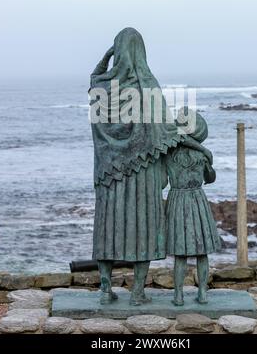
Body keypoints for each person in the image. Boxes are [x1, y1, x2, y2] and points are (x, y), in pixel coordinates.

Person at [89, 28, 213, 305]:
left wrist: (108, 56)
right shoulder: (147, 85)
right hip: (143, 173)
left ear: (118, 52)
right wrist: (198, 144)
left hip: (109, 174)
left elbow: (95, 77)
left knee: (107, 231)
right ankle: (136, 292)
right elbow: (166, 131)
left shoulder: (103, 88)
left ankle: (105, 290)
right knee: (143, 231)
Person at [164, 109, 221, 306]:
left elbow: (162, 182)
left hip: (179, 198)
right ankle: (200, 292)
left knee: (183, 253)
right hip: (196, 199)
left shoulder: (168, 151)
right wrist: (206, 154)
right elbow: (210, 179)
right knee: (200, 251)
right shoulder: (200, 152)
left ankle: (179, 295)